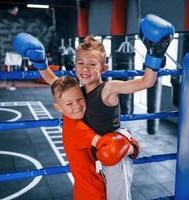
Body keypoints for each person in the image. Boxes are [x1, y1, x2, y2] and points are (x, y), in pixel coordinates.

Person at [13, 14, 175, 200]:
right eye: (80, 63)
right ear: (75, 66)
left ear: (104, 68)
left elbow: (146, 82)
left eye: (92, 64)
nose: (85, 69)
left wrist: (155, 55)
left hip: (115, 156)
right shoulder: (77, 89)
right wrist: (40, 63)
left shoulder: (108, 89)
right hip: (96, 158)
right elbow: (54, 82)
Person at [50, 76, 138, 200]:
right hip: (94, 193)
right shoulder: (76, 128)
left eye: (80, 99)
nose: (77, 106)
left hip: (85, 191)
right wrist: (132, 145)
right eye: (69, 104)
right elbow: (110, 147)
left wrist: (42, 66)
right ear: (59, 108)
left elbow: (58, 86)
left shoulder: (71, 117)